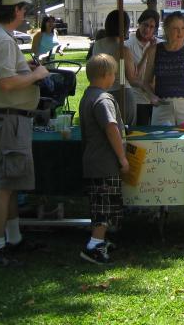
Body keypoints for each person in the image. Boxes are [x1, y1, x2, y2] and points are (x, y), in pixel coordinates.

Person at [0, 0, 50, 266]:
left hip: (7, 119)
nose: (25, 13)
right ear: (15, 10)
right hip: (9, 120)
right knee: (3, 187)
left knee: (10, 184)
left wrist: (26, 70)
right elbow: (6, 83)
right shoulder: (1, 40)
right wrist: (37, 75)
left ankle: (14, 239)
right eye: (23, 8)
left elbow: (7, 74)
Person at [78, 53, 128, 265]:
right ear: (107, 74)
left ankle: (100, 240)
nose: (114, 77)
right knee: (104, 206)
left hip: (93, 160)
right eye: (114, 74)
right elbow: (111, 127)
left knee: (101, 202)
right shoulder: (103, 99)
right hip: (104, 162)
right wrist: (122, 158)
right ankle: (94, 245)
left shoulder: (87, 95)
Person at [92, 10, 142, 126]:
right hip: (122, 94)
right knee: (126, 131)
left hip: (101, 93)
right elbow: (132, 79)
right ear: (125, 27)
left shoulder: (97, 45)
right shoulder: (122, 49)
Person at [125, 8, 160, 125]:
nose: (147, 29)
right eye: (145, 25)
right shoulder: (128, 46)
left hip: (157, 98)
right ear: (139, 23)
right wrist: (147, 53)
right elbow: (134, 78)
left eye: (151, 27)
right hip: (137, 99)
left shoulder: (160, 45)